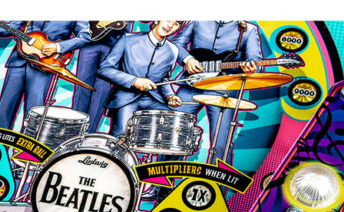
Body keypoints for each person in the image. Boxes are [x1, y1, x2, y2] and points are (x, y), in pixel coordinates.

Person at [173, 21, 263, 162]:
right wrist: (188, 59)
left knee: (221, 142)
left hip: (224, 90)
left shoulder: (249, 29)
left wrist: (253, 68)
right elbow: (176, 44)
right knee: (172, 133)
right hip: (190, 85)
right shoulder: (197, 20)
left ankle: (218, 176)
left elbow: (255, 60)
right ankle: (161, 176)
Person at [0, 21, 91, 130]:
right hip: (18, 60)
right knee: (4, 108)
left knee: (33, 113)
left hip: (44, 65)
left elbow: (84, 37)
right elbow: (13, 26)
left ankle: (24, 142)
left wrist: (57, 47)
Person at [97, 21, 183, 137]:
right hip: (126, 99)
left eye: (176, 23)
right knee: (123, 134)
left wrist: (170, 95)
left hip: (155, 100)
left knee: (174, 131)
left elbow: (163, 79)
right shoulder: (127, 39)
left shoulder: (173, 50)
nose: (170, 25)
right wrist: (134, 81)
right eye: (168, 19)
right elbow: (104, 69)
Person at [72, 22, 130, 132]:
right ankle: (73, 128)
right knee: (81, 85)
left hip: (115, 42)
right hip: (90, 38)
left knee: (102, 90)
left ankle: (88, 133)